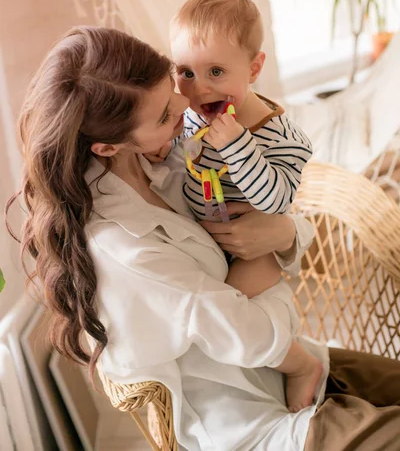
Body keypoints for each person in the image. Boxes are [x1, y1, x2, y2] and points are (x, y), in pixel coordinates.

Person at [6, 27, 400, 451]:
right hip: (253, 421)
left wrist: (283, 233)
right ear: (106, 148)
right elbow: (241, 330)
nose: (183, 102)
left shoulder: (172, 155)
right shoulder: (122, 248)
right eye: (162, 115)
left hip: (290, 360)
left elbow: (282, 209)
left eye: (171, 83)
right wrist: (300, 362)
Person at [149, 0, 321, 411]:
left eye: (217, 72)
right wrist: (162, 149)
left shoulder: (281, 136)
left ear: (255, 67)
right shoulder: (190, 116)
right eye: (185, 72)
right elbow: (185, 161)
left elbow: (276, 198)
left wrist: (238, 145)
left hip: (253, 253)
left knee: (230, 317)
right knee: (203, 321)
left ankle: (303, 366)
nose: (199, 88)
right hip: (207, 238)